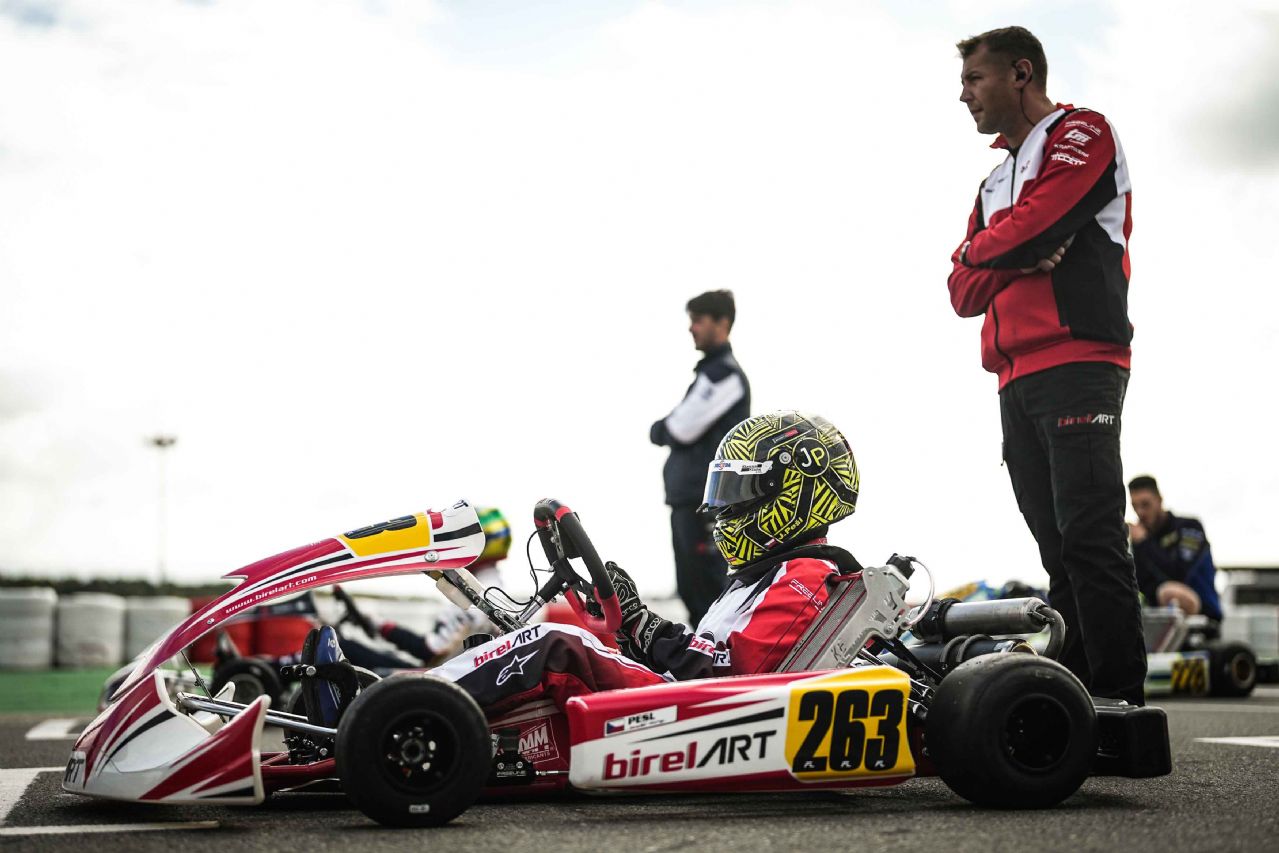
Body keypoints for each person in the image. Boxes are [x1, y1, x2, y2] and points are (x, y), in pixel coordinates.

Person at [421, 411, 862, 718]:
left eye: (737, 490)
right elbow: (704, 657)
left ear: (792, 494)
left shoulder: (803, 576)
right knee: (528, 641)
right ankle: (422, 702)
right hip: (683, 697)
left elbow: (731, 672)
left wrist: (641, 623)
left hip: (702, 712)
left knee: (556, 644)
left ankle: (412, 705)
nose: (721, 508)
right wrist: (632, 630)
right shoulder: (759, 578)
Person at [947, 26, 1145, 704]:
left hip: (1080, 361)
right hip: (1013, 378)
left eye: (974, 79)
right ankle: (1082, 706)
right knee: (1056, 550)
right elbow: (960, 290)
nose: (963, 95)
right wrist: (1007, 254)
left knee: (1090, 539)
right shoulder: (992, 180)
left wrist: (996, 247)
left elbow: (1037, 223)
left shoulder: (1082, 132)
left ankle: (1120, 705)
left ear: (1020, 73)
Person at [650, 289, 750, 625]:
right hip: (692, 501)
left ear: (722, 323)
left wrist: (661, 428)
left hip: (705, 503)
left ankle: (717, 654)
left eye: (698, 320)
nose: (691, 328)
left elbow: (679, 428)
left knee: (708, 594)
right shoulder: (713, 372)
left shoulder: (724, 375)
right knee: (694, 591)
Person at [1128, 475, 1223, 621]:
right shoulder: (1141, 540)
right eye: (1135, 507)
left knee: (1170, 591)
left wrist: (1144, 543)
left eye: (1145, 505)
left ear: (1159, 500)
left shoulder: (1189, 528)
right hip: (1159, 621)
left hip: (1202, 618)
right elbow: (1141, 584)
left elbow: (1179, 573)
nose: (1140, 512)